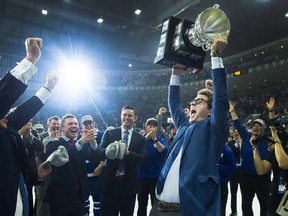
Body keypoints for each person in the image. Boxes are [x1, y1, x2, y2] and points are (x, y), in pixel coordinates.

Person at [150, 36, 229, 216]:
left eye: (199, 101)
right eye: (193, 101)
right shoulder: (184, 127)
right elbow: (174, 103)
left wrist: (215, 55)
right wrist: (176, 73)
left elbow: (222, 102)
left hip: (187, 211)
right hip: (158, 208)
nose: (192, 104)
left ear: (210, 111)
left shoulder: (214, 130)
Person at [0, 37, 56, 216]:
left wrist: (48, 88)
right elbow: (4, 97)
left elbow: (23, 112)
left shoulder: (6, 128)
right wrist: (30, 59)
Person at [44, 114, 101, 216]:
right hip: (60, 198)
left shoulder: (81, 145)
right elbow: (64, 158)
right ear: (62, 128)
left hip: (79, 196)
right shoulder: (53, 145)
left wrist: (92, 141)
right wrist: (82, 141)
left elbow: (95, 158)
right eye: (70, 123)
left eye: (75, 123)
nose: (74, 125)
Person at [98, 105, 147, 216]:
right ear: (121, 116)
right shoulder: (110, 133)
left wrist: (127, 153)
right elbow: (99, 153)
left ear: (135, 118)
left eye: (130, 115)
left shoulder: (140, 138)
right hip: (109, 183)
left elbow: (143, 158)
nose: (127, 117)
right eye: (124, 115)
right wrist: (111, 149)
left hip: (129, 184)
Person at [229, 103, 270, 216]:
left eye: (259, 125)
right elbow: (238, 125)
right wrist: (232, 112)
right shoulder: (246, 136)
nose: (255, 127)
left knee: (265, 205)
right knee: (246, 205)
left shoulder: (268, 141)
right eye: (253, 125)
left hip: (263, 179)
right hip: (246, 177)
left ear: (264, 129)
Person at [253, 125, 288, 216]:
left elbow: (283, 163)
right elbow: (261, 170)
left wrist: (276, 141)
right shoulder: (275, 152)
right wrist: (255, 149)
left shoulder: (279, 151)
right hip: (276, 198)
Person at [137, 118, 168, 216]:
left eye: (154, 125)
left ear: (157, 128)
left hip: (155, 178)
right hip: (141, 177)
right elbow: (134, 150)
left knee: (155, 205)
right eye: (149, 125)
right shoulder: (140, 138)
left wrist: (155, 140)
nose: (152, 127)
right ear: (145, 127)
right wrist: (145, 138)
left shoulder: (160, 139)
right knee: (142, 205)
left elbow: (165, 153)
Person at [35, 115, 61, 216]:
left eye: (58, 124)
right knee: (42, 200)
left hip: (57, 174)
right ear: (48, 125)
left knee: (56, 201)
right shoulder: (40, 137)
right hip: (44, 174)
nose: (56, 126)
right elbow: (39, 154)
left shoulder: (62, 138)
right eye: (54, 123)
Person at [18, 119, 44, 216]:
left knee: (28, 203)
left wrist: (29, 135)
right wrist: (20, 131)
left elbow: (40, 148)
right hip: (13, 174)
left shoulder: (32, 133)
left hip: (29, 175)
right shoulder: (9, 131)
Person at [79, 115, 104, 216]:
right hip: (83, 176)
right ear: (82, 126)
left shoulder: (102, 135)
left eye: (90, 123)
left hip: (97, 176)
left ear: (94, 123)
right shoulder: (79, 137)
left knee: (98, 201)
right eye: (86, 124)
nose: (88, 126)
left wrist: (101, 165)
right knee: (84, 202)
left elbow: (105, 154)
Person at [227, 128, 243, 216]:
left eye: (238, 130)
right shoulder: (230, 143)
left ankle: (246, 211)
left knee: (245, 193)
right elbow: (232, 151)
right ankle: (234, 211)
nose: (236, 132)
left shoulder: (246, 142)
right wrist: (237, 142)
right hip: (234, 171)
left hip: (243, 171)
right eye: (235, 131)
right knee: (233, 193)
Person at [218, 144, 236, 216]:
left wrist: (218, 167)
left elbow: (232, 168)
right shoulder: (207, 147)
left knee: (221, 211)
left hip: (222, 186)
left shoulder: (227, 150)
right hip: (207, 186)